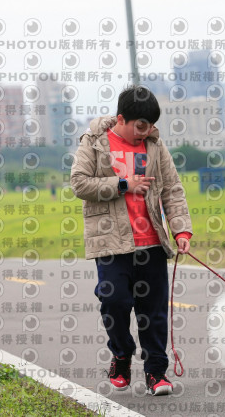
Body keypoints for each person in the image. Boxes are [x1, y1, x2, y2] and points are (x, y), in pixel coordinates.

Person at [71, 85, 193, 396]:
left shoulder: (155, 145)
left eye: (150, 126)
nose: (146, 132)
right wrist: (124, 184)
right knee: (115, 302)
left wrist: (181, 230)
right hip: (111, 243)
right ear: (121, 119)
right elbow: (79, 183)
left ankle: (156, 373)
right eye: (140, 126)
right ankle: (122, 354)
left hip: (151, 242)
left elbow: (172, 189)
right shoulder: (94, 141)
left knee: (153, 312)